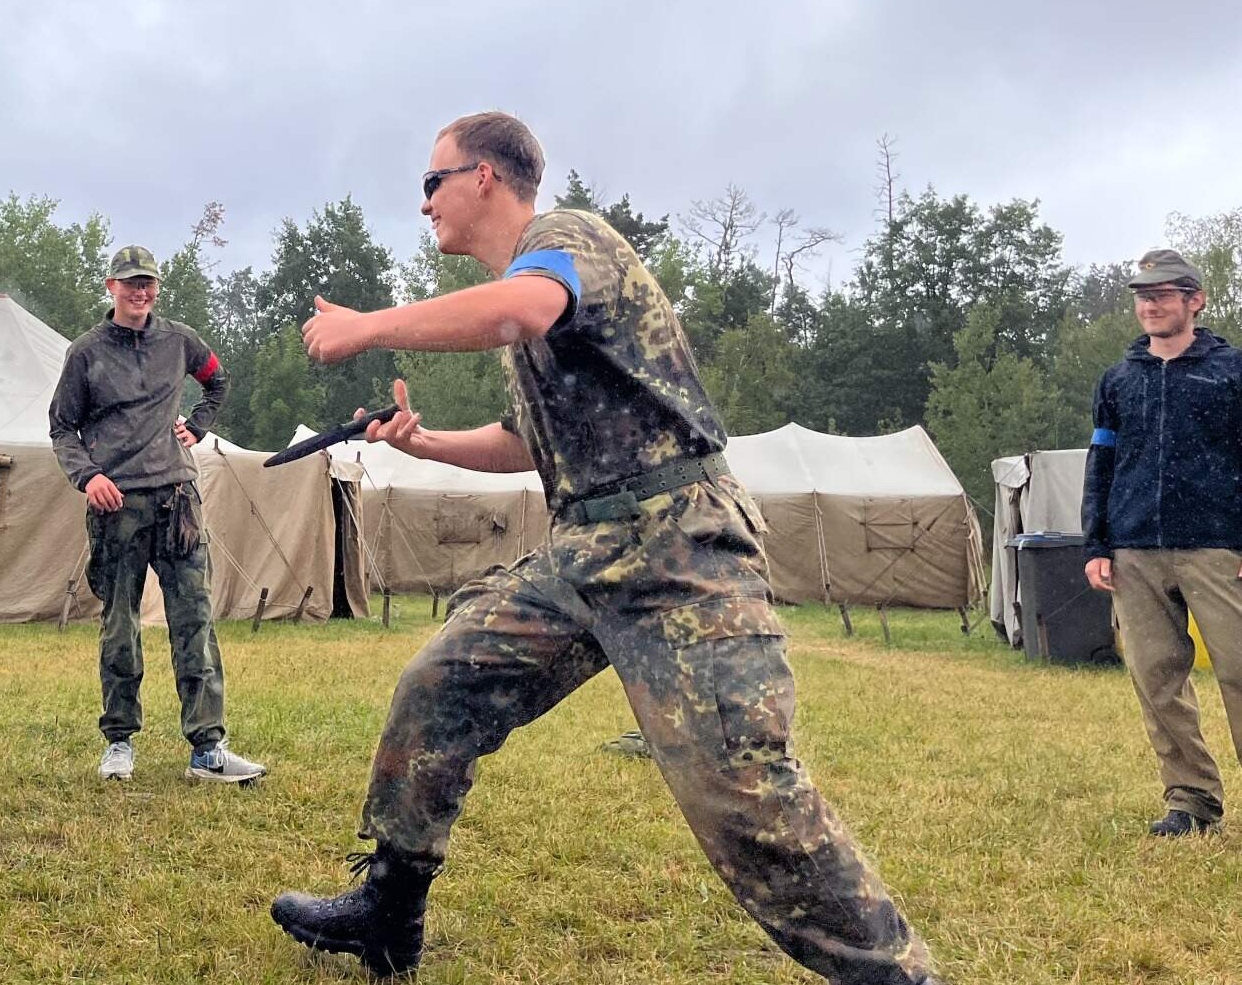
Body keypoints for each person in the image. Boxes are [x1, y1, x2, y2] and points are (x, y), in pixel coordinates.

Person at [269, 112, 942, 983]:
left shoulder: (565, 241)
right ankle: (389, 911)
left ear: (483, 177)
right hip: (585, 550)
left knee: (745, 796)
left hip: (677, 548)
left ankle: (898, 975)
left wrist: (370, 325)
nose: (424, 202)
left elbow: (522, 309)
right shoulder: (531, 297)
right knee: (440, 684)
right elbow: (524, 443)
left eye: (433, 182)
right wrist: (423, 444)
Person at [47, 245, 266, 784]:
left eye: (147, 282)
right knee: (120, 625)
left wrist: (199, 425)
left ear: (156, 288)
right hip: (116, 504)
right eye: (129, 282)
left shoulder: (179, 341)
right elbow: (62, 427)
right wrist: (88, 476)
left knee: (195, 621)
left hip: (177, 501)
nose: (139, 291)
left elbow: (217, 379)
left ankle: (208, 749)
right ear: (111, 287)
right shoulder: (86, 352)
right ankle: (118, 742)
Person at [1082, 248, 1242, 838]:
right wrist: (1096, 544)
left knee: (1239, 670)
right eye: (1143, 297)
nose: (1150, 305)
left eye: (1162, 295)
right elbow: (1102, 463)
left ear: (1195, 300)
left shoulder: (1231, 372)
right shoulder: (1119, 380)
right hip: (1134, 551)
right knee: (1155, 678)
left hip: (1218, 547)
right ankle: (1191, 800)